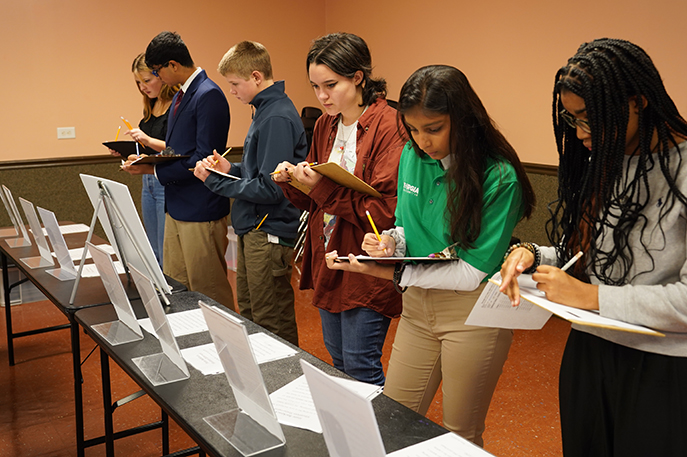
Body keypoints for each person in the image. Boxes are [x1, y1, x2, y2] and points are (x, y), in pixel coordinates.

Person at [497, 38, 687, 456]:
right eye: (572, 118)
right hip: (590, 353)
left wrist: (592, 296)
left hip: (670, 369)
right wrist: (533, 256)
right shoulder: (609, 161)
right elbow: (585, 255)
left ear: (637, 102)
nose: (579, 134)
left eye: (590, 119)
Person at [325, 65, 536, 446]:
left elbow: (471, 272)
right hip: (419, 309)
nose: (423, 140)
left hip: (471, 314)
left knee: (460, 433)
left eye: (434, 128)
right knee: (393, 420)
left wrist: (390, 273)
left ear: (464, 120)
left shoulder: (499, 177)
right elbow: (404, 227)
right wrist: (389, 245)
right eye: (414, 128)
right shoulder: (411, 155)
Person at [272, 32, 403, 385]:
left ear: (358, 77)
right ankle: (350, 437)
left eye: (331, 85)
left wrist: (321, 187)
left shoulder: (389, 125)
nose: (322, 96)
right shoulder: (327, 123)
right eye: (315, 87)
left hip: (366, 258)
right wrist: (293, 182)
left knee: (361, 366)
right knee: (339, 363)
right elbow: (317, 200)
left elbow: (385, 212)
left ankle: (375, 440)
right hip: (329, 255)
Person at [194, 41, 307, 345]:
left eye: (235, 84)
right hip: (253, 229)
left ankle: (283, 387)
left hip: (267, 231)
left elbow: (271, 188)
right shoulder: (264, 110)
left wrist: (214, 182)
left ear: (256, 77)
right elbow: (259, 171)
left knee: (270, 323)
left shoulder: (275, 117)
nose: (231, 91)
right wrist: (227, 169)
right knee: (253, 315)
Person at [123, 31, 234, 309]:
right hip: (176, 207)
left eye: (157, 71)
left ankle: (221, 352)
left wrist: (153, 172)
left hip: (201, 208)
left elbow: (202, 158)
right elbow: (175, 151)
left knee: (209, 294)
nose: (157, 78)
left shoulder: (208, 94)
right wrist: (146, 161)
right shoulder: (182, 96)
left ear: (173, 65)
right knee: (177, 288)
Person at [112, 53, 179, 267]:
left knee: (166, 246)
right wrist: (127, 153)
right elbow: (146, 150)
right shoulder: (150, 106)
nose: (143, 87)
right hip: (148, 181)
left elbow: (175, 148)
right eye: (138, 83)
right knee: (153, 248)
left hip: (166, 180)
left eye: (147, 81)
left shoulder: (177, 106)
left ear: (161, 76)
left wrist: (148, 139)